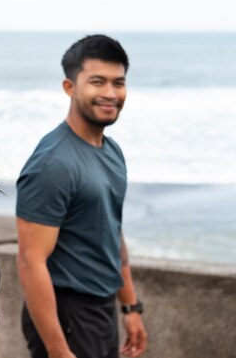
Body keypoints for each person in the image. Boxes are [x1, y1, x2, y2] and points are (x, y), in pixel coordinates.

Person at [16, 35, 148, 358]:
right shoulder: (53, 164)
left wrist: (130, 306)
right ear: (70, 87)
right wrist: (59, 350)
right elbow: (30, 262)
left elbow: (111, 231)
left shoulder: (112, 151)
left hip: (101, 310)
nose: (110, 93)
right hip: (68, 315)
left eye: (118, 83)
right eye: (97, 82)